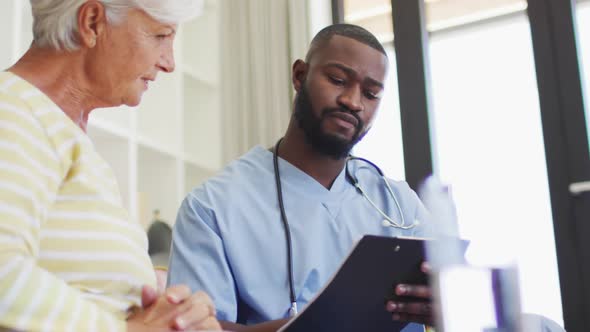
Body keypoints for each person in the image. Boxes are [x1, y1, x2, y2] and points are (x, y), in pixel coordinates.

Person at [168, 23, 433, 332]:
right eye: (337, 80)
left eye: (371, 93)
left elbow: (461, 298)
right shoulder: (212, 207)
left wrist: (449, 306)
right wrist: (321, 325)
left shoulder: (401, 205)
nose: (353, 101)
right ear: (299, 75)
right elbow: (191, 328)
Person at [0, 1, 221, 331]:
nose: (169, 62)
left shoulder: (66, 137)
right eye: (161, 35)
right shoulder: (14, 110)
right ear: (92, 23)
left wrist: (172, 307)